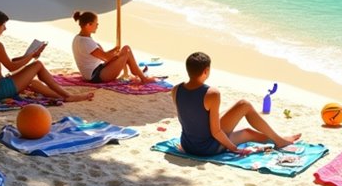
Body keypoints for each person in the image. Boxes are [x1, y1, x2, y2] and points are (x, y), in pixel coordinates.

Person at [172, 52, 301, 156]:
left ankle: (279, 138)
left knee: (247, 132)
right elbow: (216, 132)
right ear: (206, 71)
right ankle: (279, 141)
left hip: (188, 145)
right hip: (207, 148)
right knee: (244, 104)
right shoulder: (211, 93)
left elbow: (187, 117)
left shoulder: (176, 89)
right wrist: (233, 148)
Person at [0, 8, 92, 102]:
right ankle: (68, 95)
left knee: (32, 82)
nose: (5, 28)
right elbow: (11, 67)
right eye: (3, 25)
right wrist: (32, 56)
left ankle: (60, 96)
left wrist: (30, 55)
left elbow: (12, 61)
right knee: (38, 65)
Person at [71, 10, 159, 84]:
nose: (97, 26)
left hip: (98, 70)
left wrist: (115, 50)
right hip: (95, 76)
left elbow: (103, 56)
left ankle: (139, 74)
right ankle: (143, 79)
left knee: (125, 49)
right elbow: (106, 58)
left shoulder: (79, 38)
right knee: (126, 52)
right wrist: (118, 55)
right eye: (96, 24)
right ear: (88, 25)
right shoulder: (86, 42)